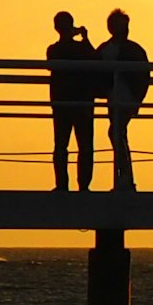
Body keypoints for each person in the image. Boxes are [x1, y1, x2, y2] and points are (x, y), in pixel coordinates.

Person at [44, 11, 99, 192]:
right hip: (82, 102)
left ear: (56, 28)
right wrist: (85, 39)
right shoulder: (82, 48)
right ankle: (84, 185)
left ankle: (62, 185)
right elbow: (96, 61)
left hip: (61, 102)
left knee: (61, 144)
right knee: (84, 145)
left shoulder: (53, 50)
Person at [100, 11, 149, 194]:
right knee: (118, 134)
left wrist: (137, 100)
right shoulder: (107, 48)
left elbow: (144, 76)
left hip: (126, 99)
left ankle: (125, 177)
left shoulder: (133, 50)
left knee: (116, 132)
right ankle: (125, 178)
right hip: (114, 99)